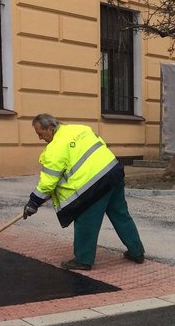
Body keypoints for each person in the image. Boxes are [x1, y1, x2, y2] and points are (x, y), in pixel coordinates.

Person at [23, 115, 145, 271]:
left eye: (40, 134)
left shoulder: (55, 148)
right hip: (113, 173)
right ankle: (137, 252)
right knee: (121, 215)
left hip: (93, 185)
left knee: (85, 222)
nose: (40, 138)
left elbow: (48, 181)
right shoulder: (81, 128)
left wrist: (33, 202)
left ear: (51, 129)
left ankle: (83, 260)